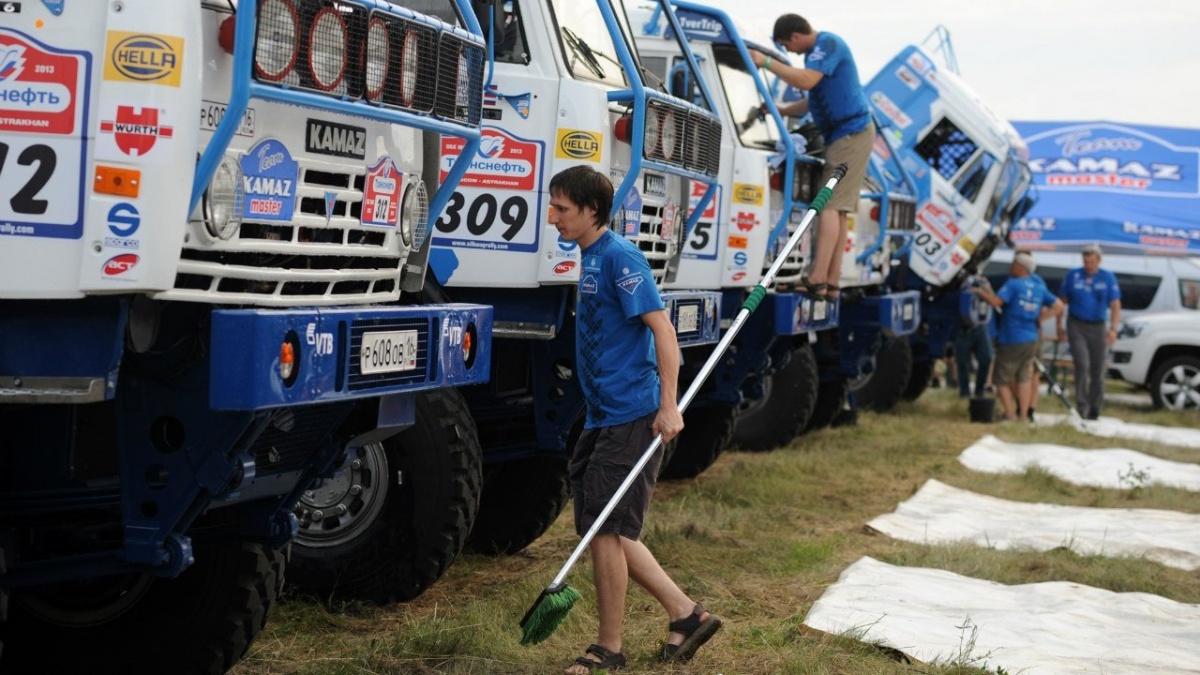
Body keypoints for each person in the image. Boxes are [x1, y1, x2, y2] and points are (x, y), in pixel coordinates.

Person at [549, 166, 721, 674]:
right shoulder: (589, 257)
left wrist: (669, 406)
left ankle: (609, 648)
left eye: (561, 208)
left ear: (591, 211)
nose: (552, 216)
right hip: (603, 416)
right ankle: (687, 615)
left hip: (633, 415)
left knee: (604, 528)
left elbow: (663, 333)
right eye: (552, 206)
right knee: (606, 525)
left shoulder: (621, 258)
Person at [748, 14, 874, 301]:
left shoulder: (827, 45)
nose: (789, 52)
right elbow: (813, 99)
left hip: (850, 134)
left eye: (785, 46)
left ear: (794, 37)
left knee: (828, 205)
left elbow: (806, 82)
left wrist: (766, 62)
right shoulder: (819, 55)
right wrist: (781, 110)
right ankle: (830, 281)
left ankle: (817, 277)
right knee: (839, 209)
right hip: (850, 134)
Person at [973, 252, 1063, 421]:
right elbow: (1058, 305)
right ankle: (1023, 415)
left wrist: (978, 292)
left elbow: (996, 302)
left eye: (1013, 263)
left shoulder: (1014, 284)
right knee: (1024, 378)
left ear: (1020, 267)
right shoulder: (1038, 286)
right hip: (1031, 338)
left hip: (1011, 337)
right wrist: (1040, 318)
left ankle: (1010, 413)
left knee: (1000, 379)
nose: (1010, 266)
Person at [1056, 243, 1122, 420]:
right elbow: (1061, 301)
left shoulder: (1107, 277)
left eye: (1091, 262)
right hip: (1076, 324)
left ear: (1098, 261)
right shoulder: (1073, 275)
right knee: (1082, 364)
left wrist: (1113, 329)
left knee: (1098, 368)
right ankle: (1082, 404)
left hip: (1098, 325)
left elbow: (1115, 305)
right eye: (1086, 261)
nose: (1088, 265)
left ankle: (1095, 406)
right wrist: (1059, 325)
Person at [955, 280, 994, 399]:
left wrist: (983, 289)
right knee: (963, 362)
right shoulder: (962, 283)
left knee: (986, 358)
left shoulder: (983, 285)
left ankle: (980, 389)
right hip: (963, 327)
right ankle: (964, 391)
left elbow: (993, 300)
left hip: (980, 327)